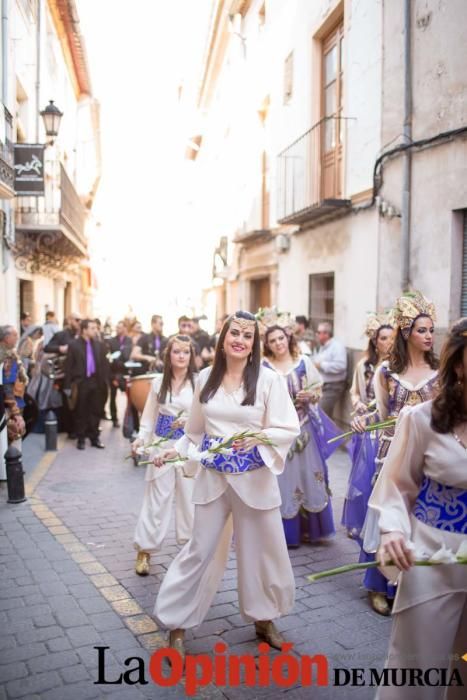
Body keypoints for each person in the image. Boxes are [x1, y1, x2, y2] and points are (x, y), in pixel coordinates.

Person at [152, 311, 300, 657]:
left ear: (254, 344)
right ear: (223, 338)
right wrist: (172, 453)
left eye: (247, 336)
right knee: (198, 549)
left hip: (255, 479)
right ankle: (177, 622)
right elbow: (194, 431)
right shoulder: (205, 377)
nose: (240, 340)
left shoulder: (268, 380)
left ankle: (265, 617)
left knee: (261, 552)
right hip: (214, 479)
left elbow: (287, 427)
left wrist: (260, 437)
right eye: (234, 333)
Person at [363, 318, 467, 699]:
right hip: (431, 561)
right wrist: (392, 530)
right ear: (458, 363)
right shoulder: (421, 420)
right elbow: (394, 485)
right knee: (418, 668)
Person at [359, 290, 439, 616]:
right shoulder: (386, 373)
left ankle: (415, 586)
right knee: (386, 516)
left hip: (429, 455)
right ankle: (378, 586)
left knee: (419, 518)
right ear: (406, 333)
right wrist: (363, 421)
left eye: (432, 330)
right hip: (390, 453)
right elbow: (379, 415)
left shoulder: (443, 373)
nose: (429, 336)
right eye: (422, 330)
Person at [263, 321, 342, 546]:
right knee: (284, 479)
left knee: (310, 475)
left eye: (281, 338)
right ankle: (286, 532)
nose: (278, 343)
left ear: (288, 338)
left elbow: (318, 388)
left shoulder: (303, 362)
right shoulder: (264, 367)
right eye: (272, 340)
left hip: (304, 427)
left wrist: (311, 396)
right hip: (278, 431)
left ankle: (311, 529)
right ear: (267, 345)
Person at [131, 335, 198, 575]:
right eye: (177, 351)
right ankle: (144, 551)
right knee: (156, 500)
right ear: (168, 355)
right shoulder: (158, 382)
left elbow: (205, 418)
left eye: (186, 352)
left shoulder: (200, 383)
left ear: (192, 356)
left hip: (188, 448)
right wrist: (141, 437)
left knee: (190, 502)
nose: (181, 356)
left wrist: (188, 421)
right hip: (161, 447)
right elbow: (149, 416)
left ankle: (192, 553)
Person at [342, 314, 394, 539]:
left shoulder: (397, 367)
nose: (389, 342)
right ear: (375, 341)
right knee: (363, 476)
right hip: (368, 427)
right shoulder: (364, 365)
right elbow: (354, 391)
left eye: (393, 337)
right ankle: (361, 521)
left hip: (387, 426)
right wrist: (359, 404)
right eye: (384, 338)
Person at [64, 319, 109, 450]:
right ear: (84, 330)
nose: (96, 330)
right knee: (81, 411)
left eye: (96, 328)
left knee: (96, 411)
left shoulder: (100, 345)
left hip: (96, 382)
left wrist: (104, 381)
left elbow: (104, 365)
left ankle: (94, 438)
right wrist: (67, 386)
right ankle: (81, 439)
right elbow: (68, 366)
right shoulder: (73, 345)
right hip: (81, 382)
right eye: (93, 328)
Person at [0, 326, 28, 452]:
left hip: (8, 406)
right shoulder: (8, 357)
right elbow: (7, 387)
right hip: (9, 408)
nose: (17, 338)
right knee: (14, 440)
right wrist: (16, 414)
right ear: (6, 338)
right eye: (15, 335)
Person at [313, 321, 348, 419]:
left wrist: (321, 365)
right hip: (322, 386)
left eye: (318, 332)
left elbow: (341, 366)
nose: (317, 335)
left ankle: (329, 434)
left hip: (333, 386)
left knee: (322, 414)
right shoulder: (322, 347)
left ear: (326, 334)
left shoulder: (337, 346)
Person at [107, 321, 133, 428]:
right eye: (116, 327)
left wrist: (119, 358)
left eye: (120, 327)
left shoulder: (129, 340)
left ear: (124, 329)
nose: (118, 329)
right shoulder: (111, 341)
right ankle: (114, 419)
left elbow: (127, 355)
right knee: (112, 397)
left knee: (129, 397)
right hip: (113, 372)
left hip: (125, 373)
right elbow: (109, 357)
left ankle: (128, 419)